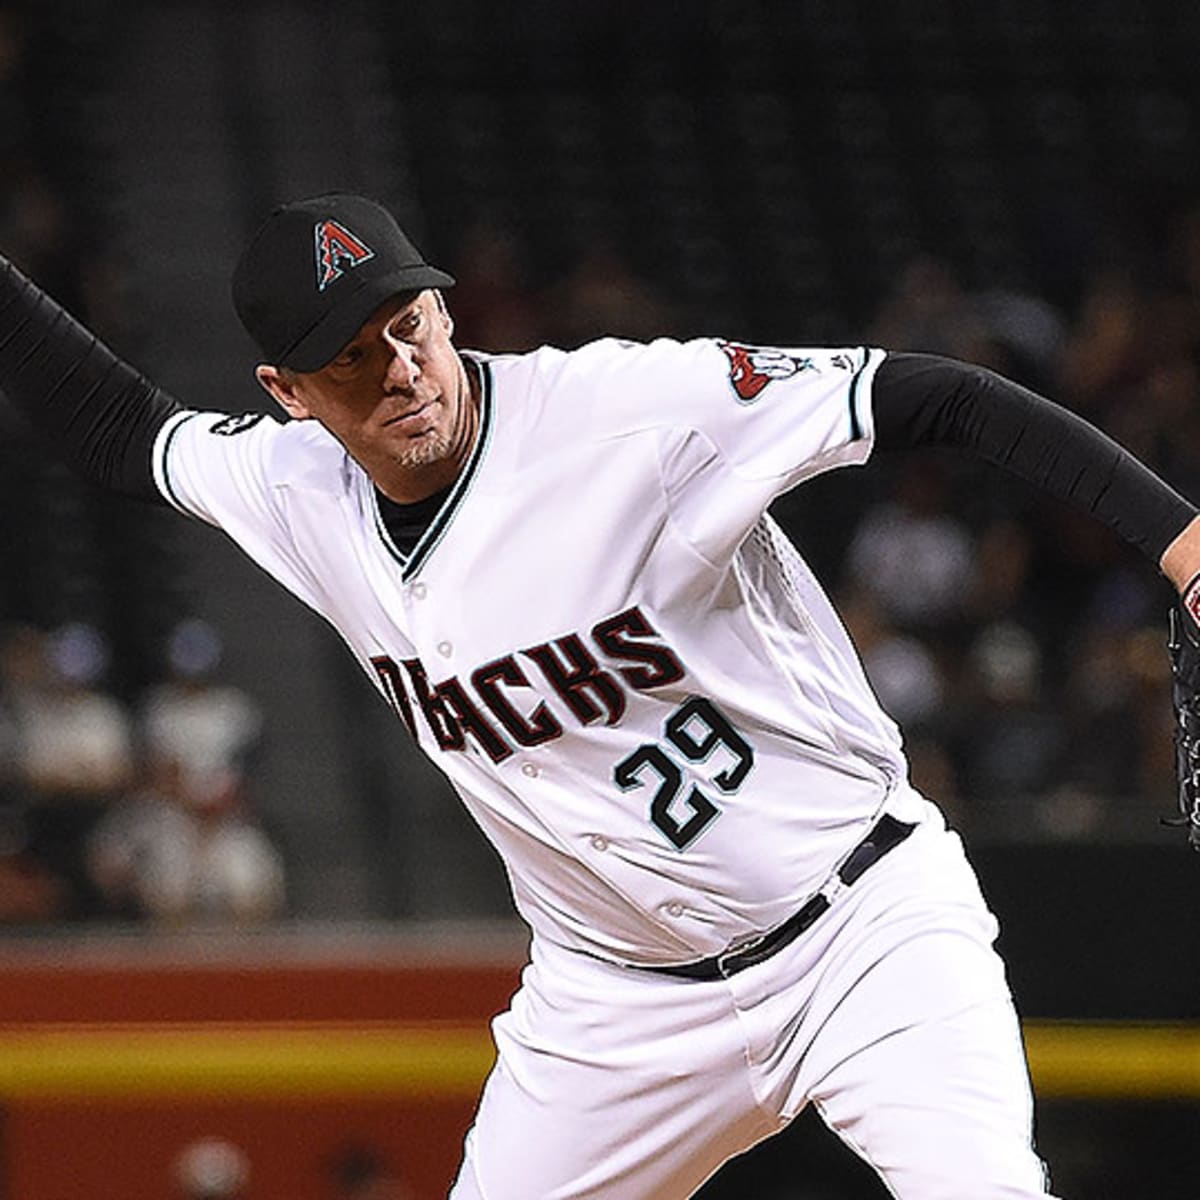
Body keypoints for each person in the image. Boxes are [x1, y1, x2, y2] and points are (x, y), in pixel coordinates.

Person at [2, 191, 1198, 1199]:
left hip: (860, 928)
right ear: (289, 391)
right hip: (612, 1010)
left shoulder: (635, 413)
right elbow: (120, 430)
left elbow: (942, 394)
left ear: (445, 306)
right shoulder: (291, 486)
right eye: (352, 357)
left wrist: (1181, 543)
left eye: (408, 324)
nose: (403, 370)